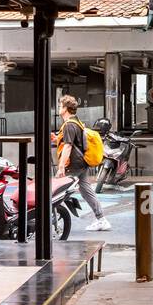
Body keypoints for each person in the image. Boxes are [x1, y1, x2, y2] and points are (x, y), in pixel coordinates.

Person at [54, 94, 110, 231]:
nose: (59, 108)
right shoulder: (76, 122)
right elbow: (74, 141)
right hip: (81, 163)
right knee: (86, 191)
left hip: (73, 165)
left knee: (57, 191)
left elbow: (68, 146)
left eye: (61, 106)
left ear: (66, 108)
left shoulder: (69, 125)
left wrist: (61, 167)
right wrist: (56, 138)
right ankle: (101, 219)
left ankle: (52, 220)